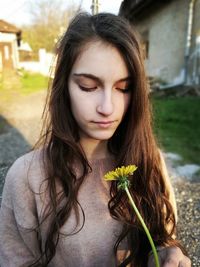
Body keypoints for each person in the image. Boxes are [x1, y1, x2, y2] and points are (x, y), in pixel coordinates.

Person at [0, 12, 191, 267]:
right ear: (63, 85)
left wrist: (168, 251)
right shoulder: (26, 177)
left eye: (123, 88)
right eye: (89, 86)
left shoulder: (147, 158)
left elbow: (164, 234)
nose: (107, 107)